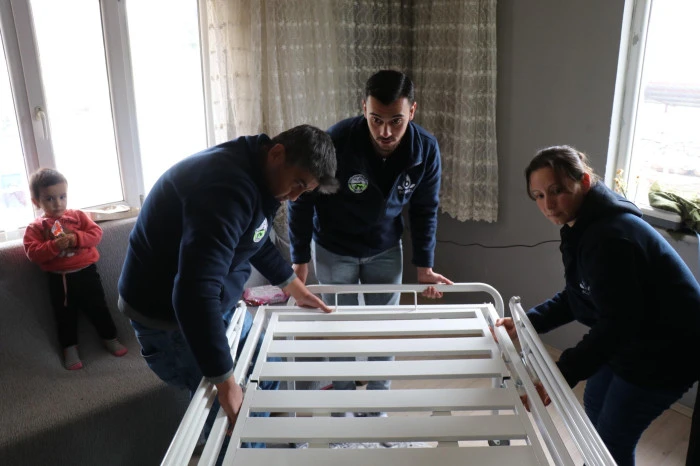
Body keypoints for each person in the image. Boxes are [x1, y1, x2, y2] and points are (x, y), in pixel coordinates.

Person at [117, 124, 337, 440]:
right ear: (277, 154)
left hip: (215, 302)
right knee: (232, 423)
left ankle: (260, 443)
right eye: (297, 184)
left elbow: (254, 237)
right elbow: (193, 294)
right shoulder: (227, 188)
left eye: (305, 191)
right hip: (171, 319)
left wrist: (293, 286)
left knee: (268, 369)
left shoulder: (258, 168)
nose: (294, 197)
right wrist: (225, 382)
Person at [496, 145, 700, 466]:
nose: (548, 205)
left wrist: (559, 374)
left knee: (613, 439)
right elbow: (579, 294)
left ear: (585, 182)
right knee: (593, 404)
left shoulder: (610, 238)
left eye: (557, 191)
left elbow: (617, 325)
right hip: (633, 337)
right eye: (538, 196)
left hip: (667, 352)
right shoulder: (582, 225)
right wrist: (526, 324)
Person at [288, 70, 452, 410]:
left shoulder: (425, 149)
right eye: (376, 120)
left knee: (384, 327)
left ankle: (377, 403)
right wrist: (299, 259)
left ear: (412, 111)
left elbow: (425, 208)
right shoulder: (337, 141)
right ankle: (344, 400)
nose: (385, 132)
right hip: (334, 246)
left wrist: (425, 266)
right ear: (363, 108)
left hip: (385, 246)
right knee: (340, 325)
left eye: (396, 121)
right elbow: (302, 200)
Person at [24, 168, 128, 370]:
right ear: (36, 202)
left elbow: (96, 234)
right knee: (64, 316)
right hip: (59, 279)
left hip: (87, 273)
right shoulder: (36, 227)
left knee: (99, 308)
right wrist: (53, 246)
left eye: (62, 196)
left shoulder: (78, 216)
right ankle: (70, 349)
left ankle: (110, 338)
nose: (58, 203)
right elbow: (33, 253)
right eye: (49, 199)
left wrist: (76, 238)